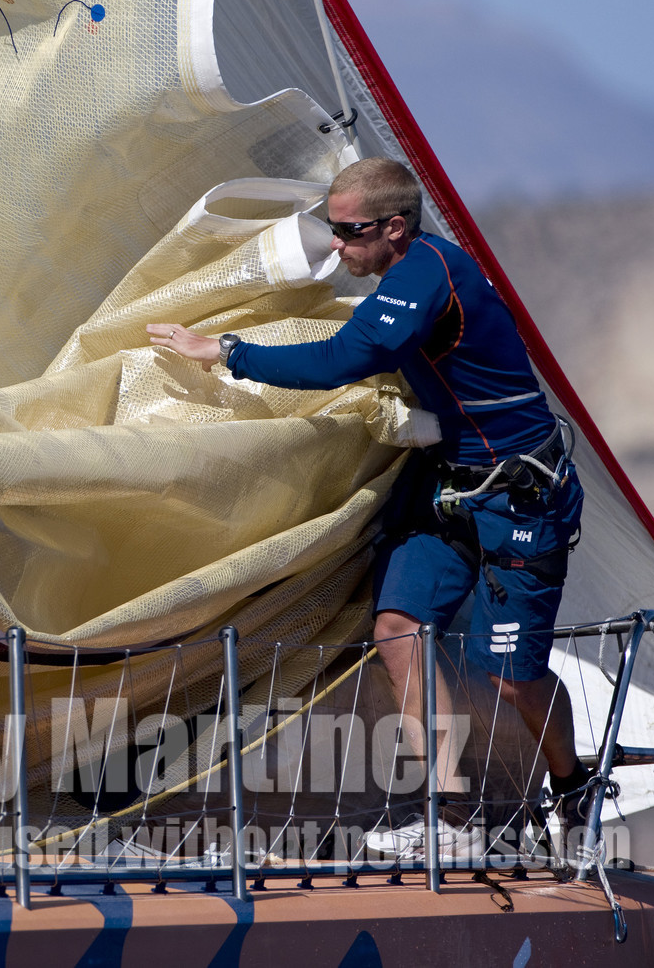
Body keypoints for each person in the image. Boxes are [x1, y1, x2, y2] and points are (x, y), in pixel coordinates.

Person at [146, 158, 591, 861]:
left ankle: (574, 788)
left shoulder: (426, 274)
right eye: (331, 227)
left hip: (519, 500)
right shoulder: (405, 272)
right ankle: (451, 817)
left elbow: (342, 360)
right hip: (449, 488)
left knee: (512, 678)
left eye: (349, 231)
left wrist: (225, 351)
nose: (336, 244)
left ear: (395, 228)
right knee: (398, 629)